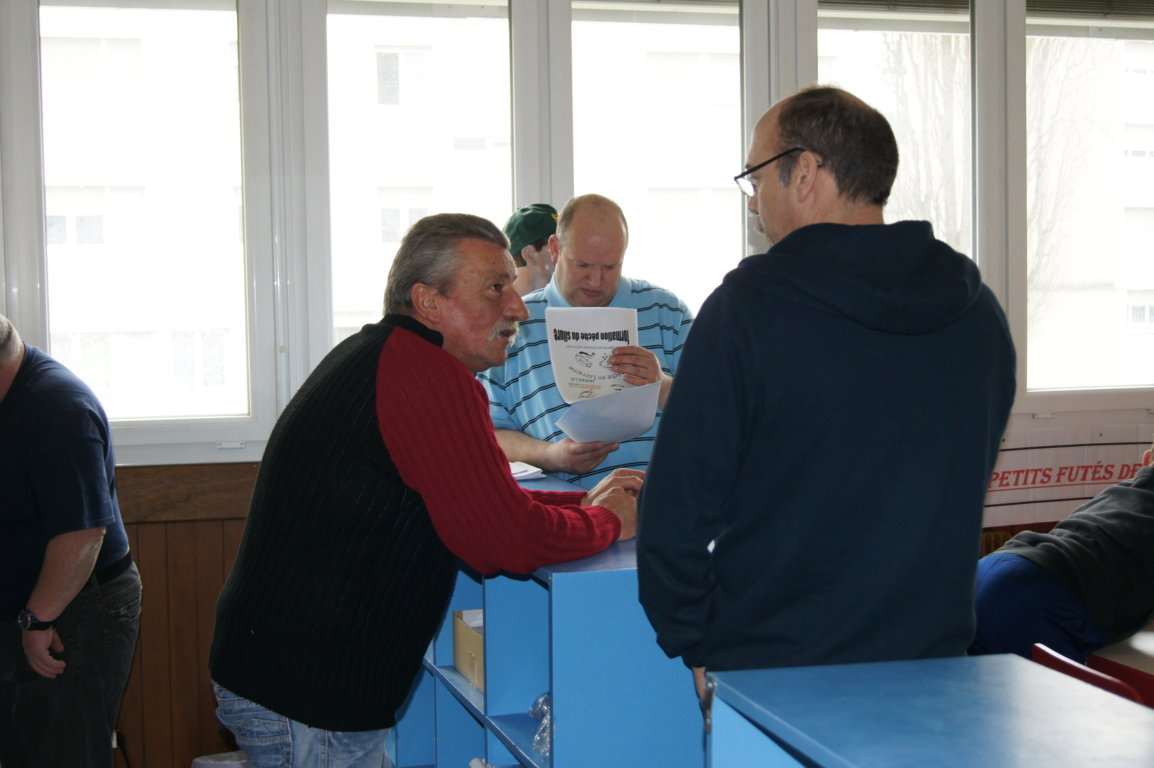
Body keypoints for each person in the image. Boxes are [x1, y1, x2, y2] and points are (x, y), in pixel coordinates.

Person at [209, 213, 639, 767]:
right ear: (428, 301)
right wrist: (606, 523)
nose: (518, 306)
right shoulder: (425, 375)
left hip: (291, 678)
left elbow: (478, 498)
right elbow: (500, 540)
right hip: (307, 695)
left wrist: (584, 500)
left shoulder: (391, 355)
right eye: (494, 287)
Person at [636, 86, 1017, 699]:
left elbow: (675, 513)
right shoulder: (977, 313)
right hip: (932, 667)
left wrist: (692, 638)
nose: (754, 204)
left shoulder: (747, 312)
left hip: (775, 673)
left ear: (807, 172)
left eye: (755, 178)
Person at [0, 314, 142, 768]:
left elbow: (82, 535)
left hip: (75, 608)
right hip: (30, 603)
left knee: (64, 753)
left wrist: (36, 622)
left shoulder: (56, 410)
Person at [478, 193, 693, 490]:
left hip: (666, 502)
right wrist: (552, 456)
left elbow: (720, 409)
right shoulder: (516, 323)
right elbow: (490, 434)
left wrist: (662, 386)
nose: (595, 281)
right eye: (582, 265)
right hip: (565, 515)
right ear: (554, 249)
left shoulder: (666, 312)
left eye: (610, 268)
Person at [970, 438, 1154, 664]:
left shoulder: (1119, 494)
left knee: (969, 690)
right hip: (1041, 600)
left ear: (1145, 461)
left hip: (995, 569)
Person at [504, 202, 558, 296]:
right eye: (557, 246)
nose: (568, 252)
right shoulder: (497, 307)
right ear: (529, 254)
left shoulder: (566, 304)